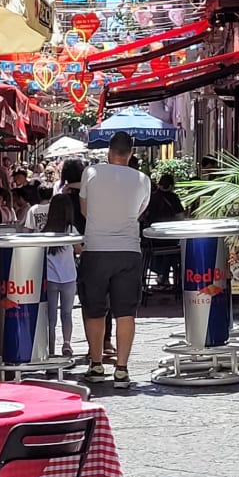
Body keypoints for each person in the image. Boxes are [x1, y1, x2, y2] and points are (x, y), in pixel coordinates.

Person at [78, 131, 151, 388]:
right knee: (126, 312)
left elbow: (84, 210)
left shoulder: (91, 173)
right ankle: (122, 369)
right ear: (131, 153)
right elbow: (139, 212)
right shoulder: (142, 179)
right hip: (129, 250)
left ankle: (96, 365)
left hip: (96, 248)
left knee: (94, 310)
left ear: (109, 151)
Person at [42, 194, 82, 358]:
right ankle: (66, 344)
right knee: (67, 313)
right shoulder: (71, 230)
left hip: (50, 278)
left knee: (50, 316)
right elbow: (79, 249)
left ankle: (50, 349)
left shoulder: (44, 231)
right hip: (69, 277)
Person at [59, 157, 86, 233]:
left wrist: (68, 185)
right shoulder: (89, 191)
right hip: (88, 232)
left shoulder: (63, 195)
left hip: (69, 235)